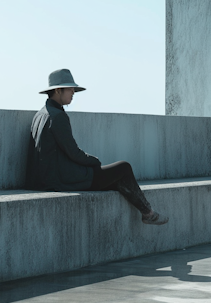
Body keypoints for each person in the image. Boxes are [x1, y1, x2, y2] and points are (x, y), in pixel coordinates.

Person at [28, 68, 168, 225]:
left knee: (116, 180)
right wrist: (94, 161)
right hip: (59, 179)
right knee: (123, 167)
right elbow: (73, 152)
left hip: (45, 177)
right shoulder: (58, 117)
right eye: (71, 89)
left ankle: (147, 213)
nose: (73, 93)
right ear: (59, 90)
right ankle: (148, 213)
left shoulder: (40, 114)